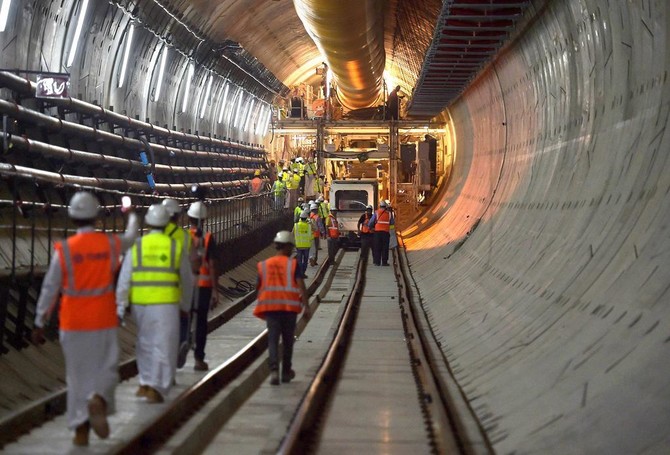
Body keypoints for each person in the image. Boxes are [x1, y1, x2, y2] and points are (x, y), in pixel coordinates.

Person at [31, 191, 139, 446]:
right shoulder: (109, 244)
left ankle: (81, 430)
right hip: (102, 319)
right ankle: (99, 399)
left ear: (72, 218)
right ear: (96, 215)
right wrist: (131, 216)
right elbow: (132, 238)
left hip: (73, 322)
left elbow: (50, 288)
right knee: (107, 368)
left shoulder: (64, 251)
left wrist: (39, 322)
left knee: (77, 377)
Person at [116, 204, 193, 404]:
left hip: (141, 302)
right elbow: (187, 279)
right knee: (165, 345)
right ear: (166, 222)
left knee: (145, 342)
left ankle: (145, 381)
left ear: (148, 223)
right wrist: (185, 305)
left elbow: (125, 277)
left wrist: (121, 305)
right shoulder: (174, 246)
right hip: (166, 302)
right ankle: (158, 387)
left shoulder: (137, 245)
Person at [253, 231, 310, 385]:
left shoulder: (264, 264)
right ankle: (285, 372)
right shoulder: (293, 264)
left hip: (270, 308)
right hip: (289, 308)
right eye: (291, 246)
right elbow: (301, 285)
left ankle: (273, 371)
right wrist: (306, 306)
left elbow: (257, 287)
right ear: (287, 247)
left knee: (272, 339)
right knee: (287, 341)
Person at [185, 201, 219, 371]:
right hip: (204, 286)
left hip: (185, 287)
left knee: (184, 318)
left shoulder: (182, 237)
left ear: (189, 218)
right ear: (204, 220)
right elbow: (212, 265)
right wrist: (215, 290)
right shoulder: (207, 238)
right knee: (201, 322)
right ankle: (199, 358)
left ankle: (181, 348)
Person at [368, 200, 395, 266]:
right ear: (385, 207)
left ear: (380, 206)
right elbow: (392, 223)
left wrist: (371, 228)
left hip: (377, 233)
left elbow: (371, 222)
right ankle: (384, 262)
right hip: (386, 233)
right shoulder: (389, 214)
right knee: (385, 248)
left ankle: (377, 262)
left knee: (377, 247)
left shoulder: (376, 212)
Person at [293, 209, 312, 277]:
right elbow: (313, 233)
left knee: (299, 261)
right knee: (305, 260)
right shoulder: (309, 226)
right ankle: (303, 273)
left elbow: (292, 234)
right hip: (307, 246)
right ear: (306, 218)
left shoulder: (296, 225)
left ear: (300, 218)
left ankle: (300, 273)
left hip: (298, 246)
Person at [308, 202, 325, 266]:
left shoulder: (308, 216)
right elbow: (320, 226)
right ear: (316, 210)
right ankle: (314, 261)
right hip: (315, 235)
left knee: (311, 249)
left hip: (309, 235)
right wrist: (323, 233)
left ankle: (310, 260)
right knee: (316, 248)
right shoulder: (317, 217)